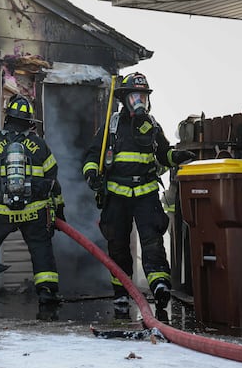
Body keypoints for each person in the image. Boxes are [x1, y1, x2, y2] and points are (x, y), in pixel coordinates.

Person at [82, 72, 195, 313]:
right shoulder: (112, 125)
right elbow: (92, 155)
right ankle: (122, 292)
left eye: (142, 96)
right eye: (135, 95)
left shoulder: (152, 125)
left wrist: (177, 156)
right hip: (116, 195)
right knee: (118, 246)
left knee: (152, 243)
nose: (139, 101)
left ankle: (160, 287)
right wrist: (91, 173)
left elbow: (164, 153)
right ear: (124, 98)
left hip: (146, 195)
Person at [0, 95, 65, 310]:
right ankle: (46, 292)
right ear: (29, 121)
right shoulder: (38, 144)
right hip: (34, 211)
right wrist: (59, 208)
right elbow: (53, 179)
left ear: (8, 118)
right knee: (40, 249)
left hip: (0, 211)